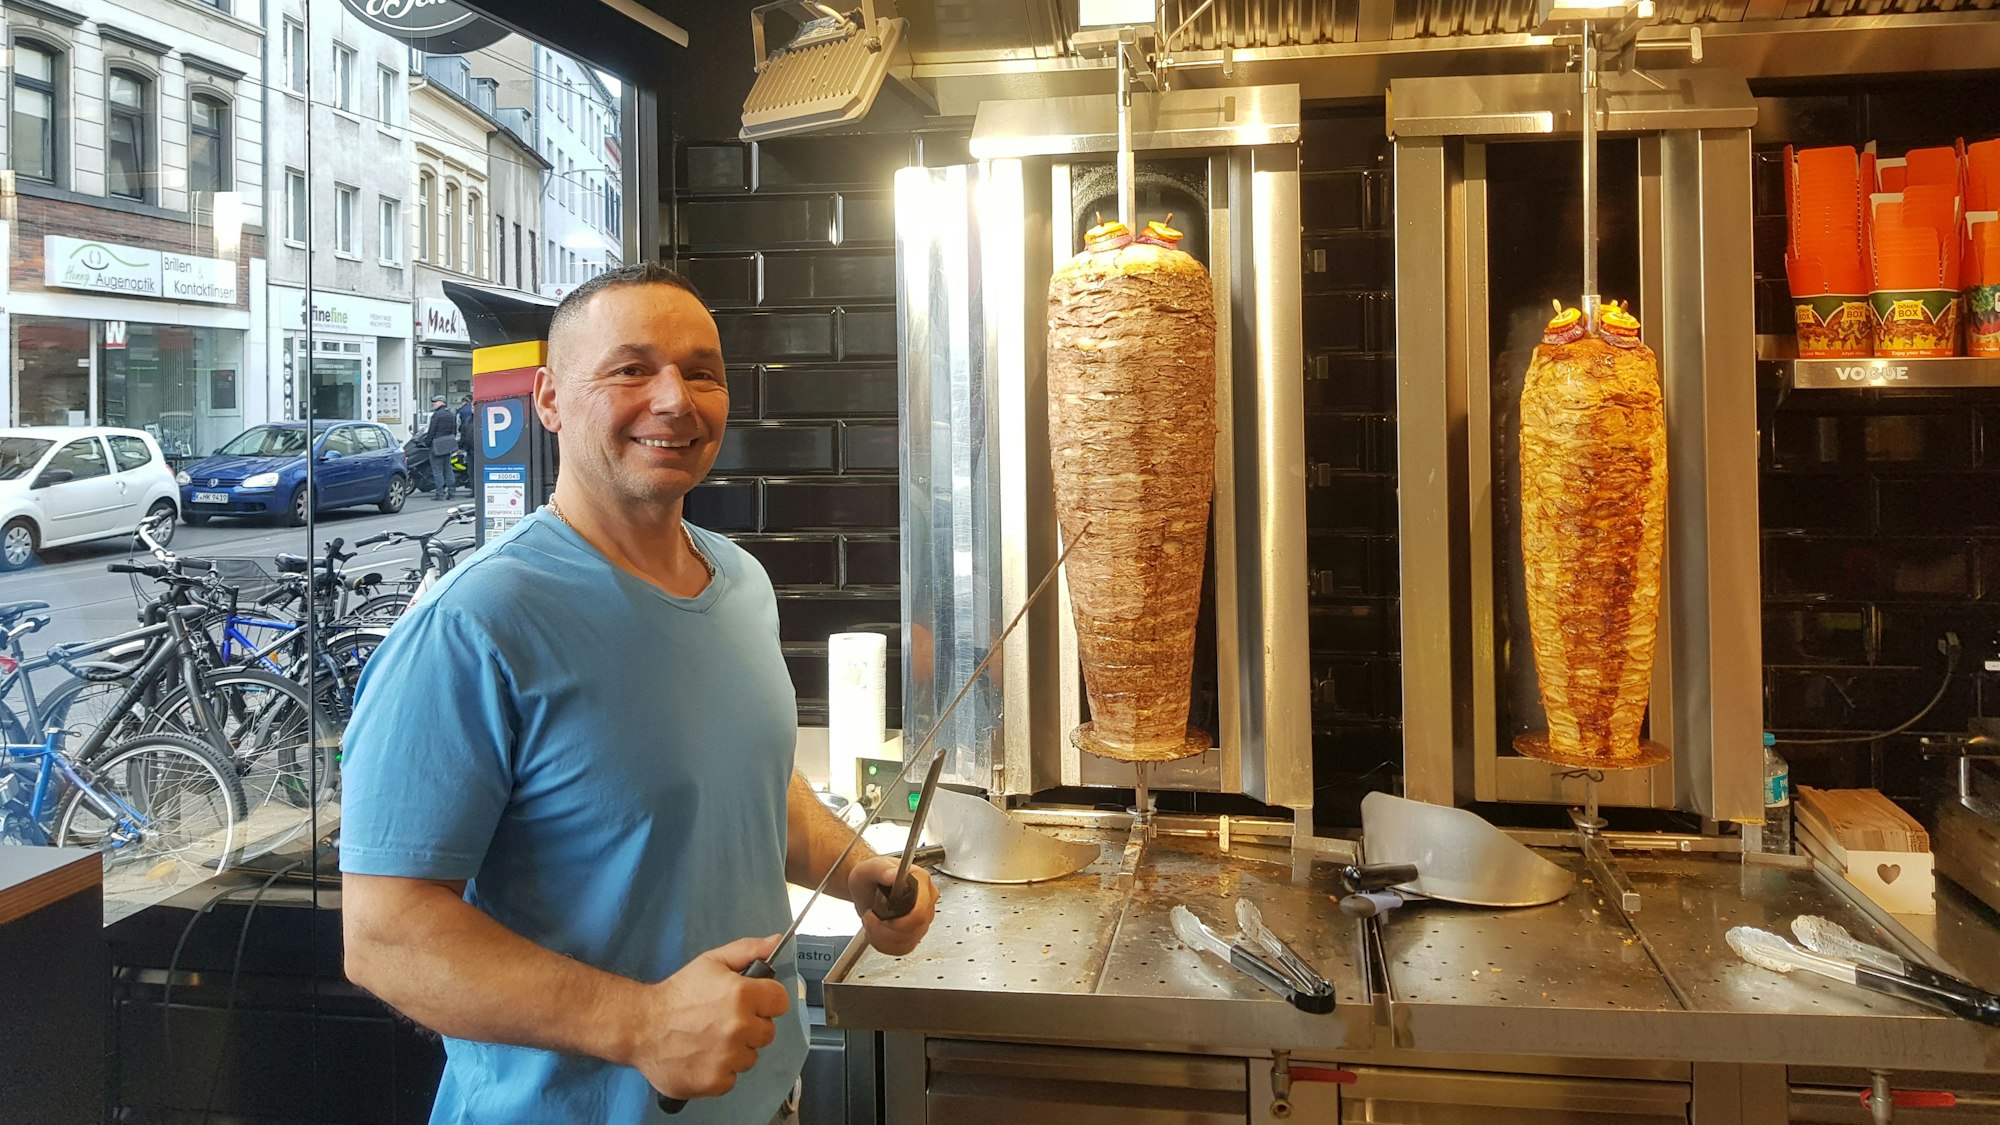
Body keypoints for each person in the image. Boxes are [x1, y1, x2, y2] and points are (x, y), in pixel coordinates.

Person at [338, 262, 938, 1125]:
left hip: (764, 1103)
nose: (674, 399)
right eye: (630, 369)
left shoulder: (741, 581)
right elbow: (384, 935)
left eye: (702, 371)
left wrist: (862, 873)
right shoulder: (477, 622)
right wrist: (642, 1023)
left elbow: (758, 788)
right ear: (547, 397)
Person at [424, 394, 460, 500]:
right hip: (448, 444)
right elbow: (454, 430)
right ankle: (452, 492)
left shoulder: (437, 415)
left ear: (441, 402)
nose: (433, 404)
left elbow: (432, 430)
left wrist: (428, 442)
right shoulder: (451, 414)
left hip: (436, 445)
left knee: (437, 470)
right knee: (448, 469)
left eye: (435, 402)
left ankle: (440, 493)